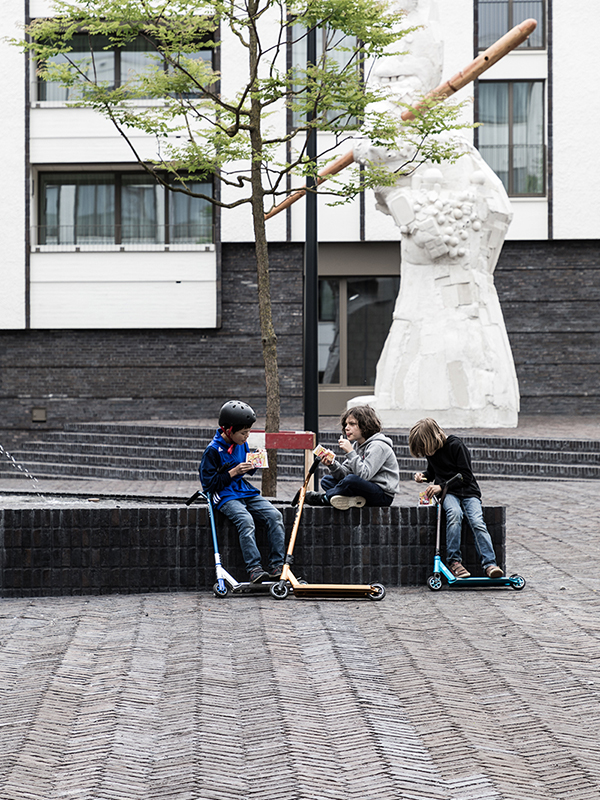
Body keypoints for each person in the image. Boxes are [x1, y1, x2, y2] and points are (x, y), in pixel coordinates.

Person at [199, 400, 285, 583]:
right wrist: (233, 472)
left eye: (249, 432)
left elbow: (245, 468)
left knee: (275, 516)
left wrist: (255, 461)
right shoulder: (212, 451)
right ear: (229, 430)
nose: (247, 436)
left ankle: (278, 565)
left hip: (244, 491)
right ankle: (254, 568)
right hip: (224, 495)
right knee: (246, 520)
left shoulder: (242, 443)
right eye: (243, 432)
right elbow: (208, 485)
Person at [409, 417, 503, 578]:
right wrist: (423, 477)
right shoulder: (431, 452)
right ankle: (454, 562)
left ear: (433, 439)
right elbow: (432, 473)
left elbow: (465, 476)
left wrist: (441, 486)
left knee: (477, 521)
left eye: (425, 449)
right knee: (454, 514)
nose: (425, 454)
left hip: (468, 491)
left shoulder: (456, 446)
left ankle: (490, 564)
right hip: (449, 493)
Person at [303, 405, 399, 510]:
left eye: (352, 424)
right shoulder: (357, 445)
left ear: (365, 425)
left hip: (382, 495)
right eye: (346, 424)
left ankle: (325, 498)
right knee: (327, 480)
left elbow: (364, 475)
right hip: (363, 490)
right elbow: (344, 474)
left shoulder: (379, 446)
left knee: (351, 480)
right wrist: (332, 464)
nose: (346, 428)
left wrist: (350, 452)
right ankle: (350, 500)